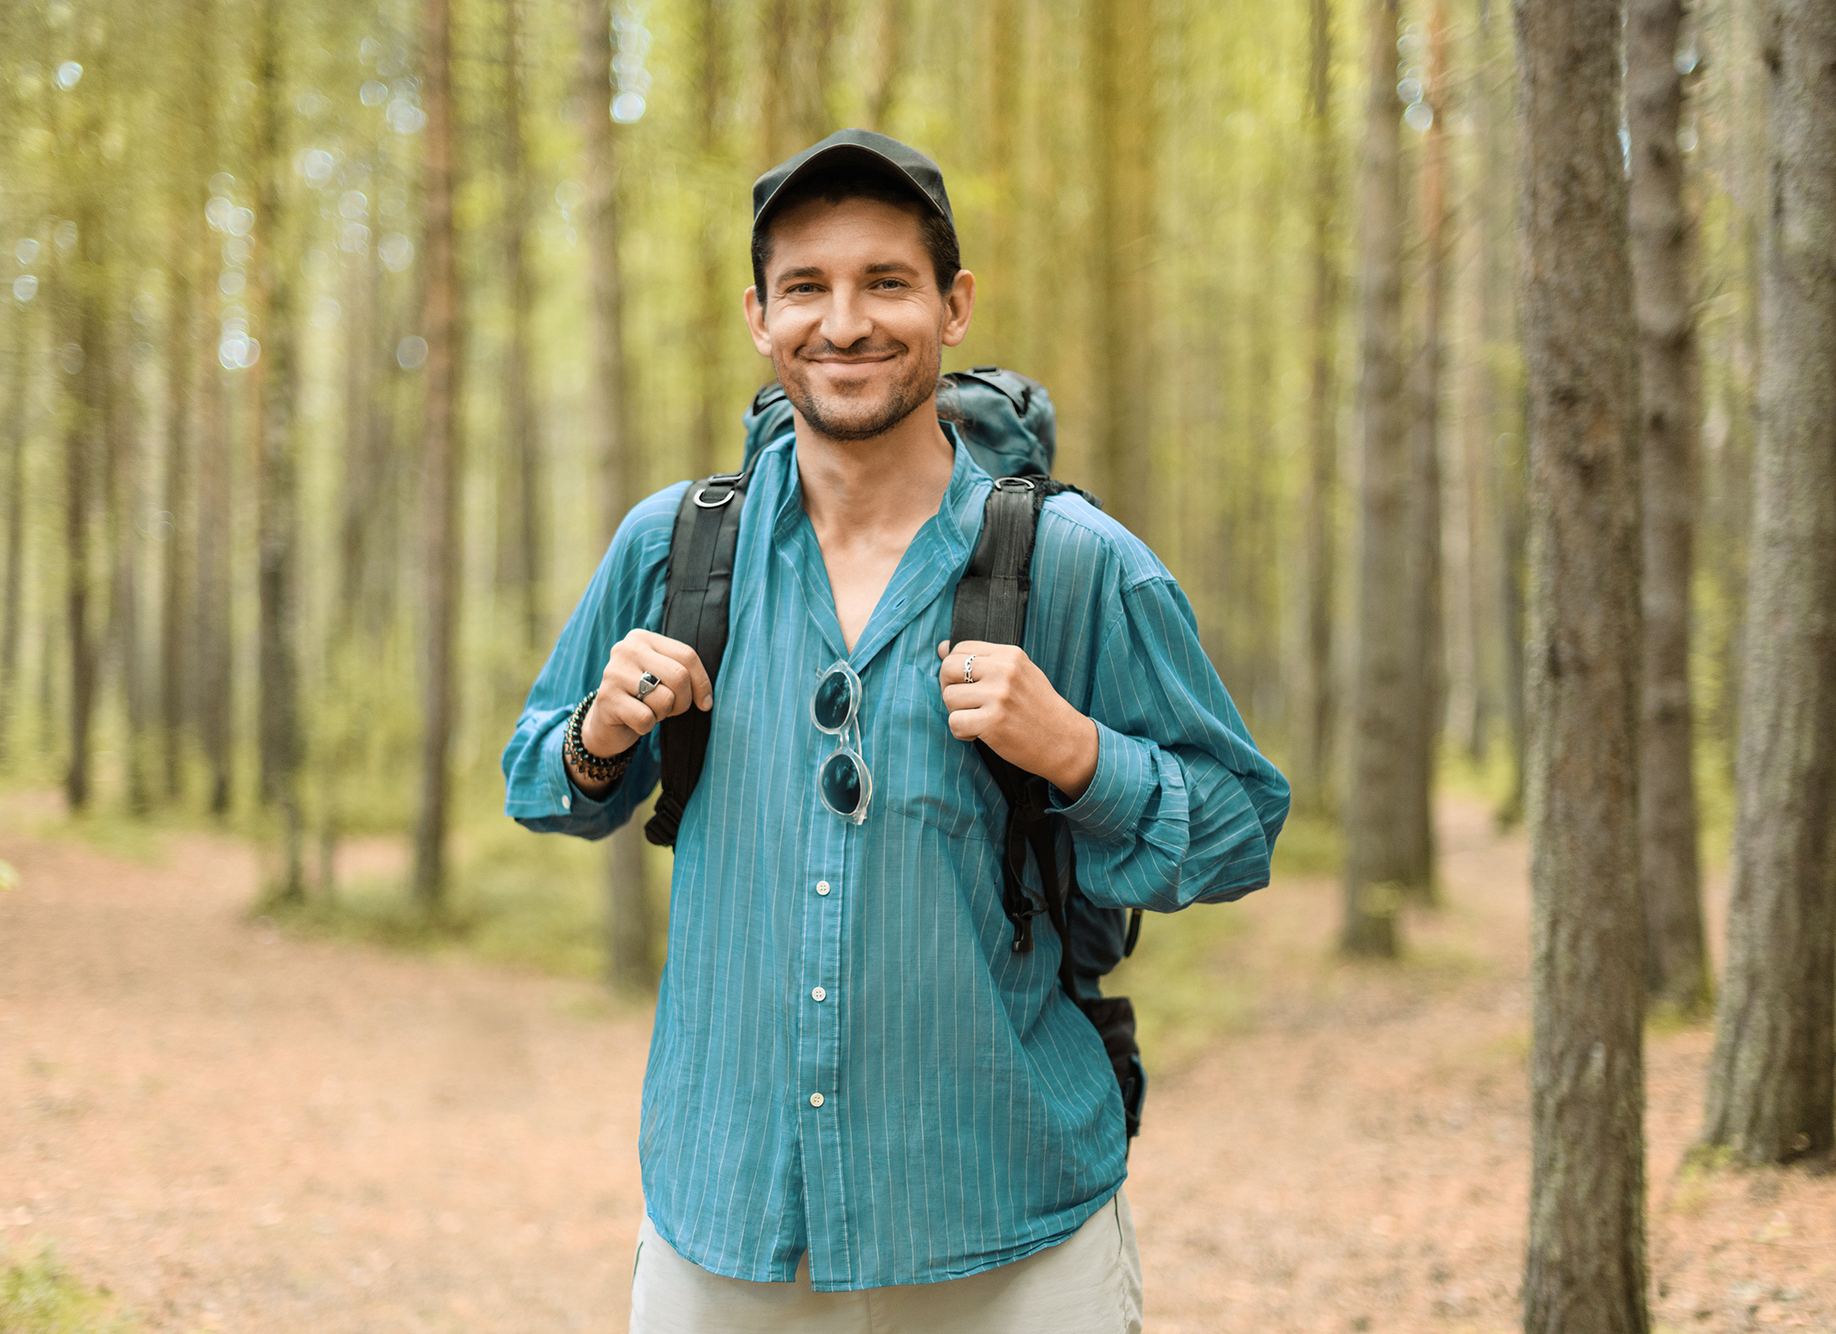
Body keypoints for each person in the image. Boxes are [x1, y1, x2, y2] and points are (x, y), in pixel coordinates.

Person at [502, 128, 1289, 1333]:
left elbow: (1238, 825)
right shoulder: (675, 546)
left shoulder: (1074, 566)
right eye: (806, 287)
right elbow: (539, 777)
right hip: (729, 1221)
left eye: (886, 283)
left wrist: (1080, 755)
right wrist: (598, 732)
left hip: (1008, 1227)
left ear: (952, 305)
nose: (845, 322)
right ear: (759, 316)